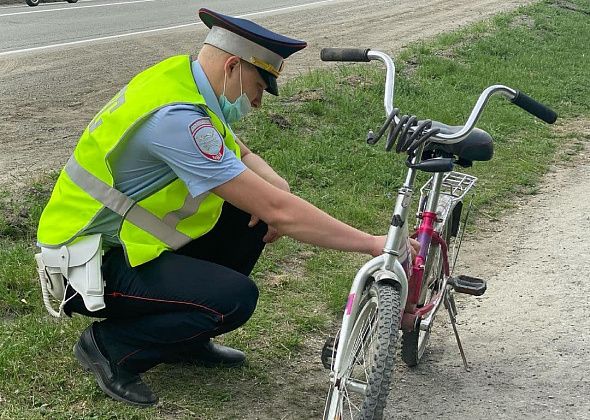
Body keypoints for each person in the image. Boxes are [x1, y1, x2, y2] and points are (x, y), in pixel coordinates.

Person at [36, 8, 419, 407]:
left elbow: (242, 153)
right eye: (258, 86)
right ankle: (111, 346)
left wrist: (279, 187)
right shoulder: (176, 120)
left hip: (112, 247)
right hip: (84, 267)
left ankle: (186, 339)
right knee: (236, 298)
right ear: (234, 65)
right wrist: (373, 244)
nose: (256, 103)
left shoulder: (180, 81)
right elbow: (281, 212)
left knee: (246, 217)